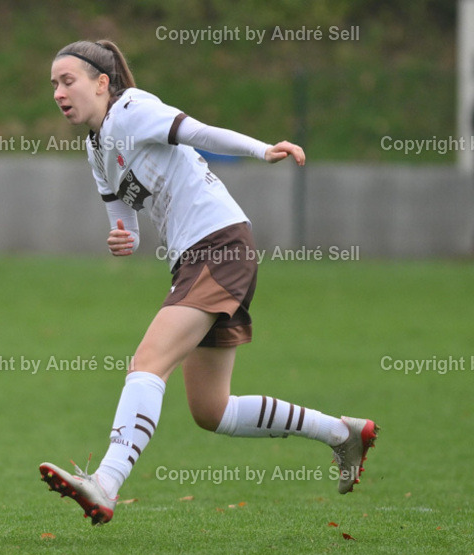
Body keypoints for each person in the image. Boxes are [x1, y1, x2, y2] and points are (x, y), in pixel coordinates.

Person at [38, 40, 378, 525]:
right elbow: (125, 221)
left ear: (101, 83)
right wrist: (124, 241)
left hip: (218, 246)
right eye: (53, 84)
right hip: (196, 257)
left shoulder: (133, 109)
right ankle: (342, 435)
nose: (58, 92)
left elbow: (197, 131)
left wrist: (262, 149)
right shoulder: (97, 146)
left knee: (148, 361)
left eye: (67, 80)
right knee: (211, 409)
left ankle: (106, 482)